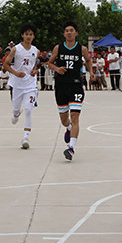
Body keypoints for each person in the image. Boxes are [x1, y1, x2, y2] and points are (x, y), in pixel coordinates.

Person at [46, 21, 93, 161]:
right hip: (61, 85)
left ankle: (71, 148)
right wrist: (57, 69)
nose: (69, 32)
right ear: (64, 34)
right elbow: (49, 63)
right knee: (64, 120)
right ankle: (68, 128)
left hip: (76, 85)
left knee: (75, 116)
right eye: (66, 30)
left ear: (76, 33)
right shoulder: (58, 48)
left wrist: (91, 72)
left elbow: (88, 60)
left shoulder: (82, 49)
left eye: (71, 30)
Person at [3, 24, 39, 149]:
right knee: (16, 110)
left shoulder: (36, 51)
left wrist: (34, 71)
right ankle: (16, 114)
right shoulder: (16, 49)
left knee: (28, 109)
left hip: (30, 85)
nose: (28, 36)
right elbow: (6, 65)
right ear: (22, 35)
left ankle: (26, 137)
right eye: (26, 34)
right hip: (17, 85)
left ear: (33, 36)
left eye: (31, 34)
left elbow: (34, 66)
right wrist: (15, 73)